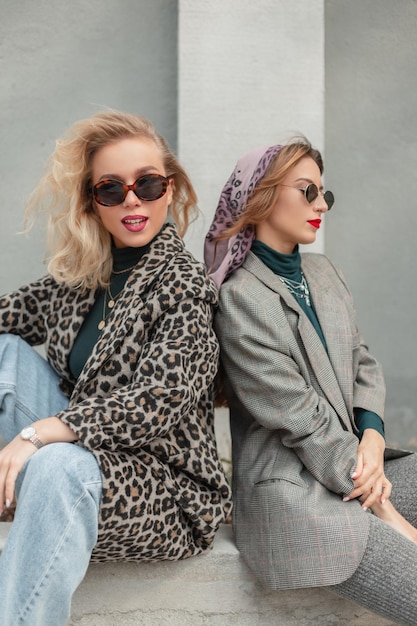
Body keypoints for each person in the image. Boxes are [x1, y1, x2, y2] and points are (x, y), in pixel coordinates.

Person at [0, 110, 232, 626]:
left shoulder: (183, 287)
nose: (133, 200)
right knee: (6, 354)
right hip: (79, 453)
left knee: (60, 465)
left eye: (147, 184)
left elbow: (158, 400)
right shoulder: (84, 274)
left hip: (163, 490)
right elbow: (8, 315)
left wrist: (40, 434)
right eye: (112, 189)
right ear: (92, 202)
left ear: (169, 190)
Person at [204, 138, 417, 625]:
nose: (322, 204)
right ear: (262, 195)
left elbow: (363, 363)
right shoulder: (240, 299)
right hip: (297, 495)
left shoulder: (324, 272)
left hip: (356, 468)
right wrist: (388, 512)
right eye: (308, 191)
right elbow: (300, 418)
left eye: (325, 194)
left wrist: (374, 438)